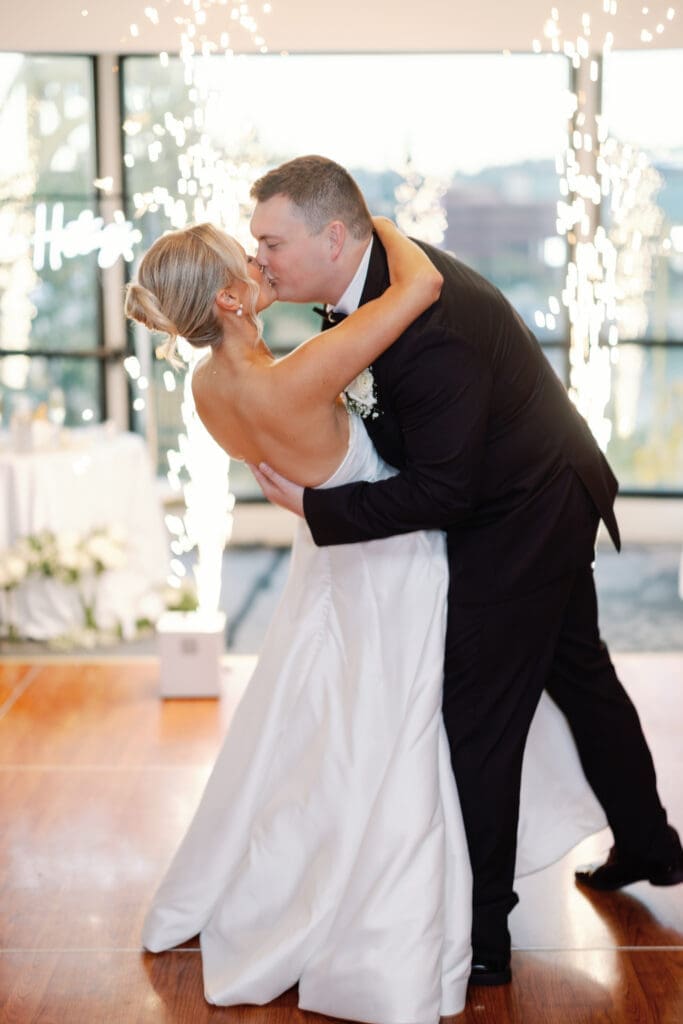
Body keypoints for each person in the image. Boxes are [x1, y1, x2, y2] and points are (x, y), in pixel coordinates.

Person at [125, 218, 606, 1023]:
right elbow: (420, 286)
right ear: (229, 300)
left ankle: (320, 872)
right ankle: (394, 904)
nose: (261, 260)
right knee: (396, 731)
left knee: (327, 726)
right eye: (247, 257)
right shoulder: (300, 373)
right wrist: (367, 219)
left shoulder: (207, 388)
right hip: (390, 562)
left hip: (325, 567)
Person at [248, 155, 683, 987]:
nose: (258, 259)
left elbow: (444, 490)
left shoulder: (429, 330)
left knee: (474, 716)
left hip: (525, 511)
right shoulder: (369, 279)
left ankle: (482, 935)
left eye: (271, 243)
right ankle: (650, 845)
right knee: (580, 676)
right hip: (534, 482)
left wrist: (316, 507)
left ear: (334, 237)